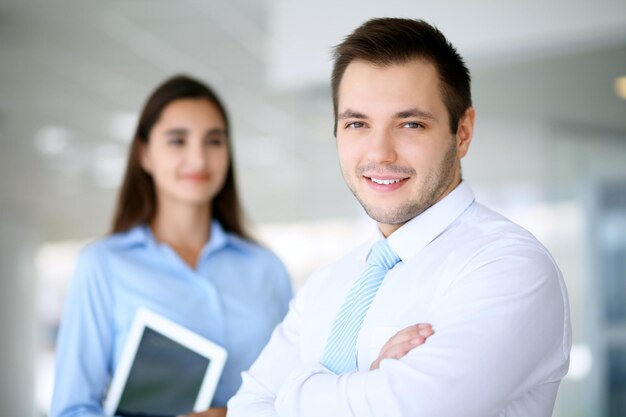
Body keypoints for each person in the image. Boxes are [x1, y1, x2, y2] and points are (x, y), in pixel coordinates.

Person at [227, 18, 571, 417]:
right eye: (357, 124)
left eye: (410, 124)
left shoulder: (510, 268)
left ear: (462, 132)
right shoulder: (328, 283)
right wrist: (365, 386)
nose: (380, 154)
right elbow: (246, 409)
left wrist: (297, 391)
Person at [50, 75, 293, 417]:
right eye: (178, 141)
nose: (198, 158)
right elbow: (72, 410)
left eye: (214, 141)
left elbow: (297, 389)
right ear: (144, 154)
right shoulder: (102, 265)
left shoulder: (265, 267)